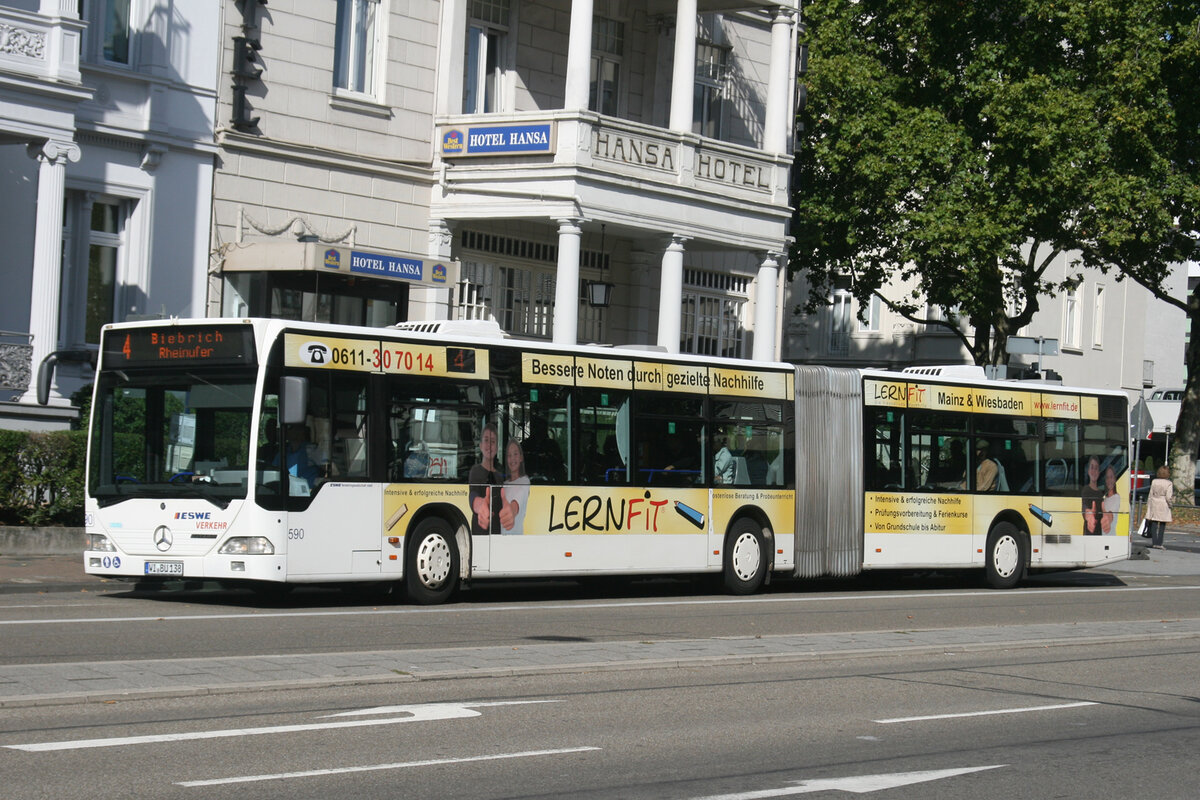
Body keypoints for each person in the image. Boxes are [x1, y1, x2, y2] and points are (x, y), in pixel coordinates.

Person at [468, 423, 500, 535]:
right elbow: (473, 494)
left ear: (497, 447)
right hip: (480, 528)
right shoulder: (475, 471)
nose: (489, 446)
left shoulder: (501, 472)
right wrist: (479, 504)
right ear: (481, 445)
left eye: (493, 441)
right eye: (486, 440)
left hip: (498, 529)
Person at [499, 439, 530, 535]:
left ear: (521, 457)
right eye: (509, 455)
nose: (512, 458)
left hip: (516, 541)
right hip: (502, 540)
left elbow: (516, 503)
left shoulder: (525, 481)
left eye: (515, 454)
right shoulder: (504, 484)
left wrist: (511, 511)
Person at [1144, 465, 1174, 549]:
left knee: (1154, 523)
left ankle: (1154, 542)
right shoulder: (1169, 483)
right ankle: (1159, 543)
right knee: (1162, 524)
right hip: (1163, 503)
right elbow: (1168, 497)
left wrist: (1148, 504)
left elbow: (1150, 494)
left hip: (1154, 502)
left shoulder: (1154, 481)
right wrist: (1170, 505)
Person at [283, 424, 320, 489]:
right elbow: (274, 471)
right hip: (286, 491)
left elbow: (324, 469)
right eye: (290, 429)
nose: (295, 432)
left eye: (298, 429)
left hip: (309, 492)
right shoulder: (283, 452)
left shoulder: (312, 449)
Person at [1081, 456, 1104, 535]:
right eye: (1092, 467)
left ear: (1099, 472)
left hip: (1098, 532)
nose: (1094, 471)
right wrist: (1089, 514)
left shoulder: (1101, 493)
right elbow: (1084, 507)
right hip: (1089, 532)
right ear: (1088, 471)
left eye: (1096, 468)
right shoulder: (1086, 490)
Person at [1100, 466, 1120, 534]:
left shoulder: (1116, 497)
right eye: (1107, 477)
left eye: (1111, 477)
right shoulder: (1105, 498)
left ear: (1115, 479)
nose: (1109, 480)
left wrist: (1102, 508)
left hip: (1110, 537)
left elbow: (1110, 517)